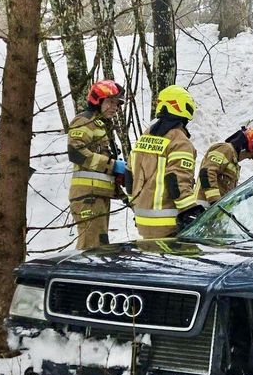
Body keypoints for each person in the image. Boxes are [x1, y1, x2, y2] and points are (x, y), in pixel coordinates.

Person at [128, 85, 203, 239]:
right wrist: (192, 212)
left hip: (142, 220)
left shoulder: (145, 136)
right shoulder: (179, 141)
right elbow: (176, 180)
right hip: (169, 223)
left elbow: (129, 176)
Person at [67, 79, 126, 250]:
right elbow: (76, 152)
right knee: (90, 248)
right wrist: (112, 165)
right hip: (87, 196)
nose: (115, 107)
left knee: (99, 245)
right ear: (97, 100)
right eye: (110, 102)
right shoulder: (84, 120)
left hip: (98, 196)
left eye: (117, 104)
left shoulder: (102, 126)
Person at [198, 126, 253, 204]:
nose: (248, 158)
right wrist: (215, 202)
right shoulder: (226, 149)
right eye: (250, 155)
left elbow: (225, 194)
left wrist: (241, 198)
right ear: (246, 148)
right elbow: (207, 172)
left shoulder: (234, 164)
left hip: (213, 212)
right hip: (203, 207)